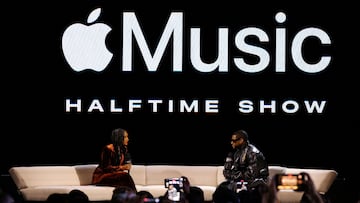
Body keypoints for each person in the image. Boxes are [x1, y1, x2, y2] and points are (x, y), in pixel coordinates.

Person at [222, 129, 269, 203]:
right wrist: (228, 162)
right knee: (222, 189)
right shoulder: (237, 153)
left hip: (255, 185)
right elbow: (227, 172)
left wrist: (234, 175)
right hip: (243, 182)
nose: (231, 143)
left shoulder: (253, 153)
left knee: (231, 190)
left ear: (241, 140)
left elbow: (252, 174)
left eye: (234, 141)